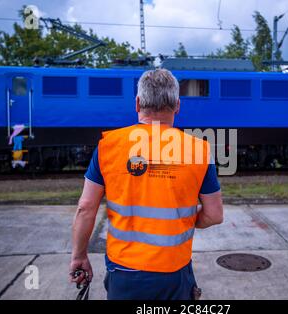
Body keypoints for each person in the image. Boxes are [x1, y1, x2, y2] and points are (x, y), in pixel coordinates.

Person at [70, 68, 223, 300]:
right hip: (174, 271)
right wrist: (180, 221)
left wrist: (79, 256)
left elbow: (85, 208)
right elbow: (214, 215)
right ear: (178, 105)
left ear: (138, 103)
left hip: (124, 270)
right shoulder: (199, 150)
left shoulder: (108, 146)